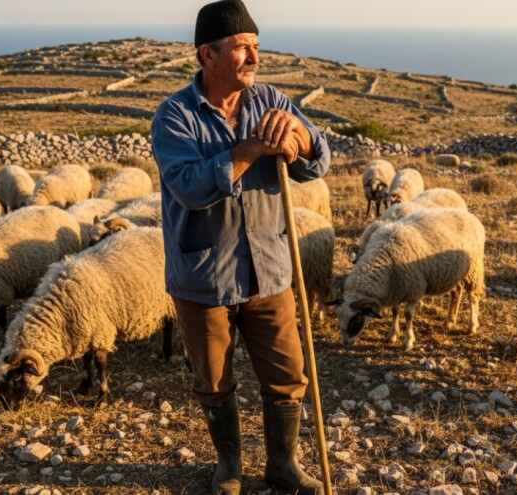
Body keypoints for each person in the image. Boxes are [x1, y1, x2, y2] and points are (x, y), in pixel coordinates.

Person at [150, 1, 330, 494]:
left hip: (269, 268)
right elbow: (188, 186)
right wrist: (248, 149)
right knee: (213, 380)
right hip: (204, 274)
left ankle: (282, 465)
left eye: (256, 45)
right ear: (207, 54)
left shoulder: (271, 100)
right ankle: (229, 464)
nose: (254, 56)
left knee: (288, 375)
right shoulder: (174, 116)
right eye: (241, 47)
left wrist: (300, 136)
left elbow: (316, 162)